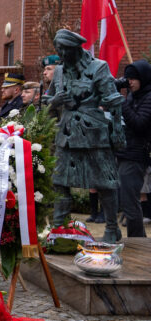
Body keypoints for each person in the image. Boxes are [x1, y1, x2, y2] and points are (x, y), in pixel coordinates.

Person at [45, 29, 124, 242]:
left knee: (104, 182)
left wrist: (117, 130)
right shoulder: (59, 72)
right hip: (67, 132)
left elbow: (114, 100)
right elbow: (47, 100)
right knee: (60, 181)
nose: (61, 54)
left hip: (93, 133)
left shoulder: (99, 67)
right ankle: (59, 228)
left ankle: (110, 228)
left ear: (75, 49)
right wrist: (55, 102)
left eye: (64, 49)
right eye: (58, 49)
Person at [114, 59, 151, 237]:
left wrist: (120, 101)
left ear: (143, 78)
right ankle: (138, 240)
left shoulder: (148, 97)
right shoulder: (133, 96)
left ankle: (138, 242)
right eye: (127, 78)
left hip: (135, 156)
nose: (129, 82)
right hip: (123, 152)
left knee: (131, 204)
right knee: (126, 202)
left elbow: (139, 123)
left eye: (133, 79)